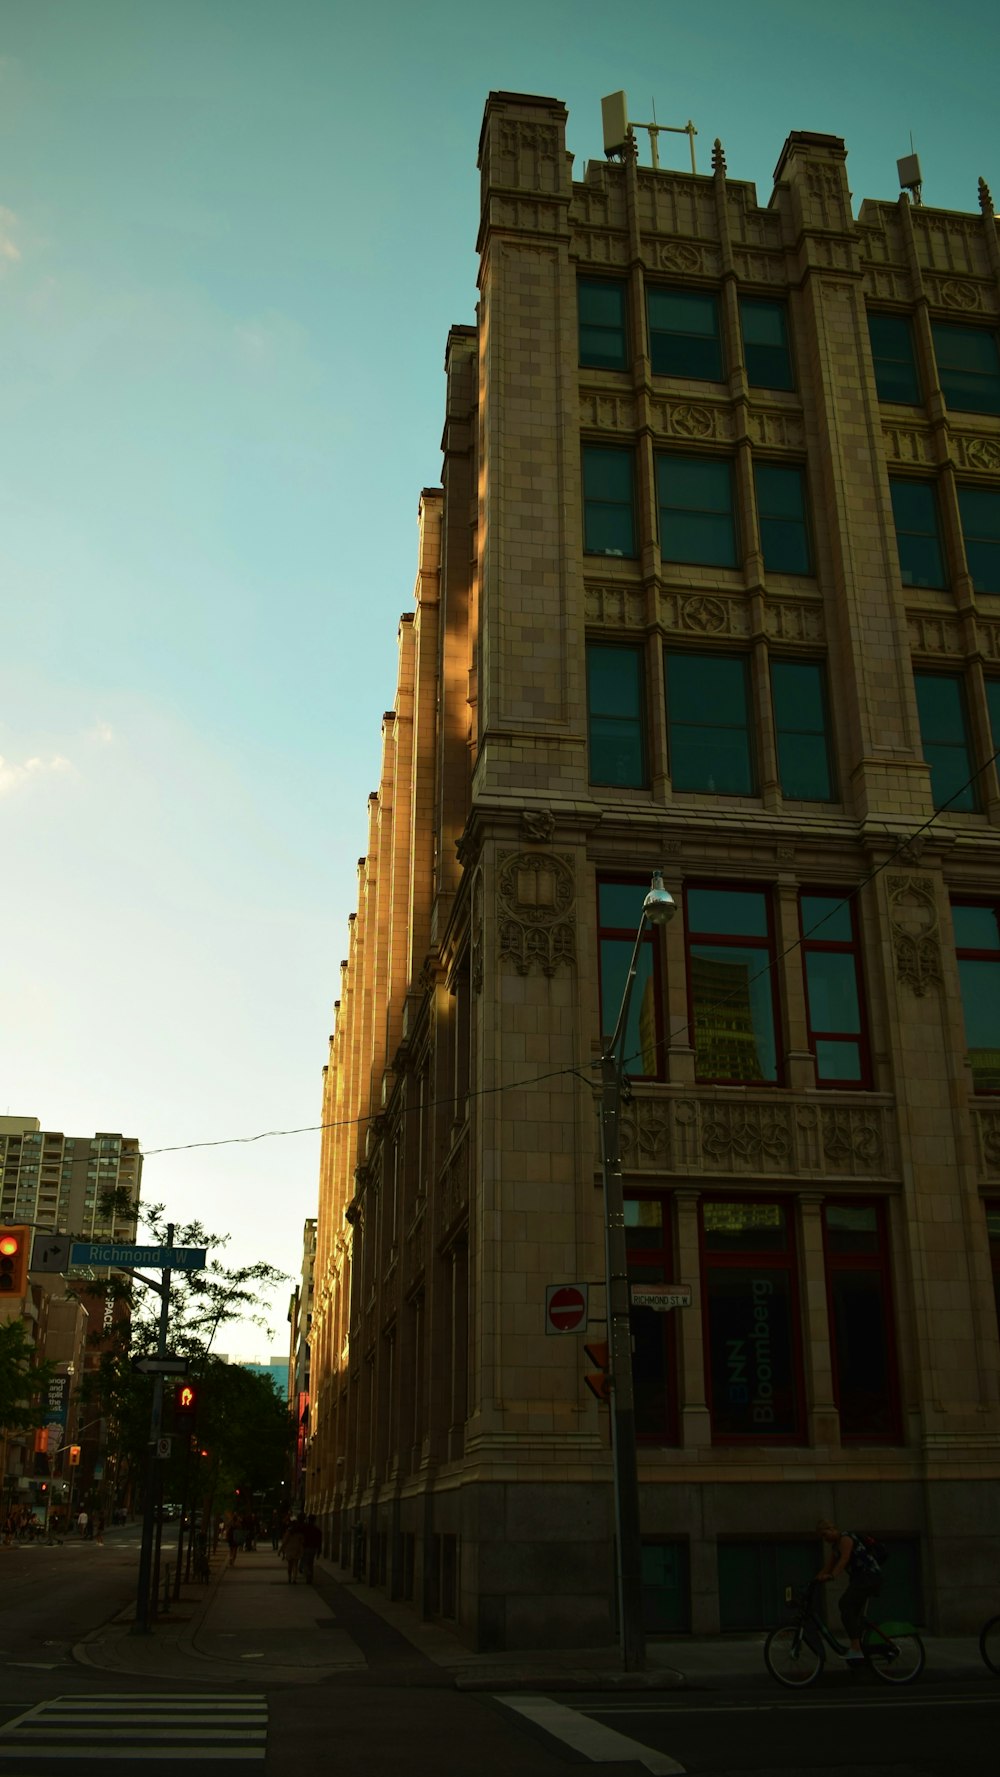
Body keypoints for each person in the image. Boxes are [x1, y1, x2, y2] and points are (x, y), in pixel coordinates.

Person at [816, 1518, 882, 1663]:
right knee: (852, 1613)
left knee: (845, 1604)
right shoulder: (834, 1548)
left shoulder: (846, 1538)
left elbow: (844, 1559)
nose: (824, 1539)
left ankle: (856, 1649)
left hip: (869, 1576)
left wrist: (832, 1576)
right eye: (822, 1537)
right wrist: (813, 1581)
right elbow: (827, 1567)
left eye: (825, 1534)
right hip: (860, 1580)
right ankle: (859, 1648)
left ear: (832, 1529)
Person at [280, 1515, 306, 1584]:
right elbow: (302, 1541)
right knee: (295, 1565)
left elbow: (285, 1541)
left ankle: (289, 1578)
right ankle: (294, 1579)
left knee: (290, 1565)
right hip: (297, 1549)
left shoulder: (289, 1531)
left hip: (289, 1549)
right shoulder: (299, 1532)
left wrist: (281, 1550)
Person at [301, 1514, 322, 1583]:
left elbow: (301, 1537)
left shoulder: (305, 1528)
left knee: (305, 1562)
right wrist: (319, 1551)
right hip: (313, 1549)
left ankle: (308, 1573)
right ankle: (309, 1579)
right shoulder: (317, 1530)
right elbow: (319, 1541)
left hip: (306, 1548)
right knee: (311, 1563)